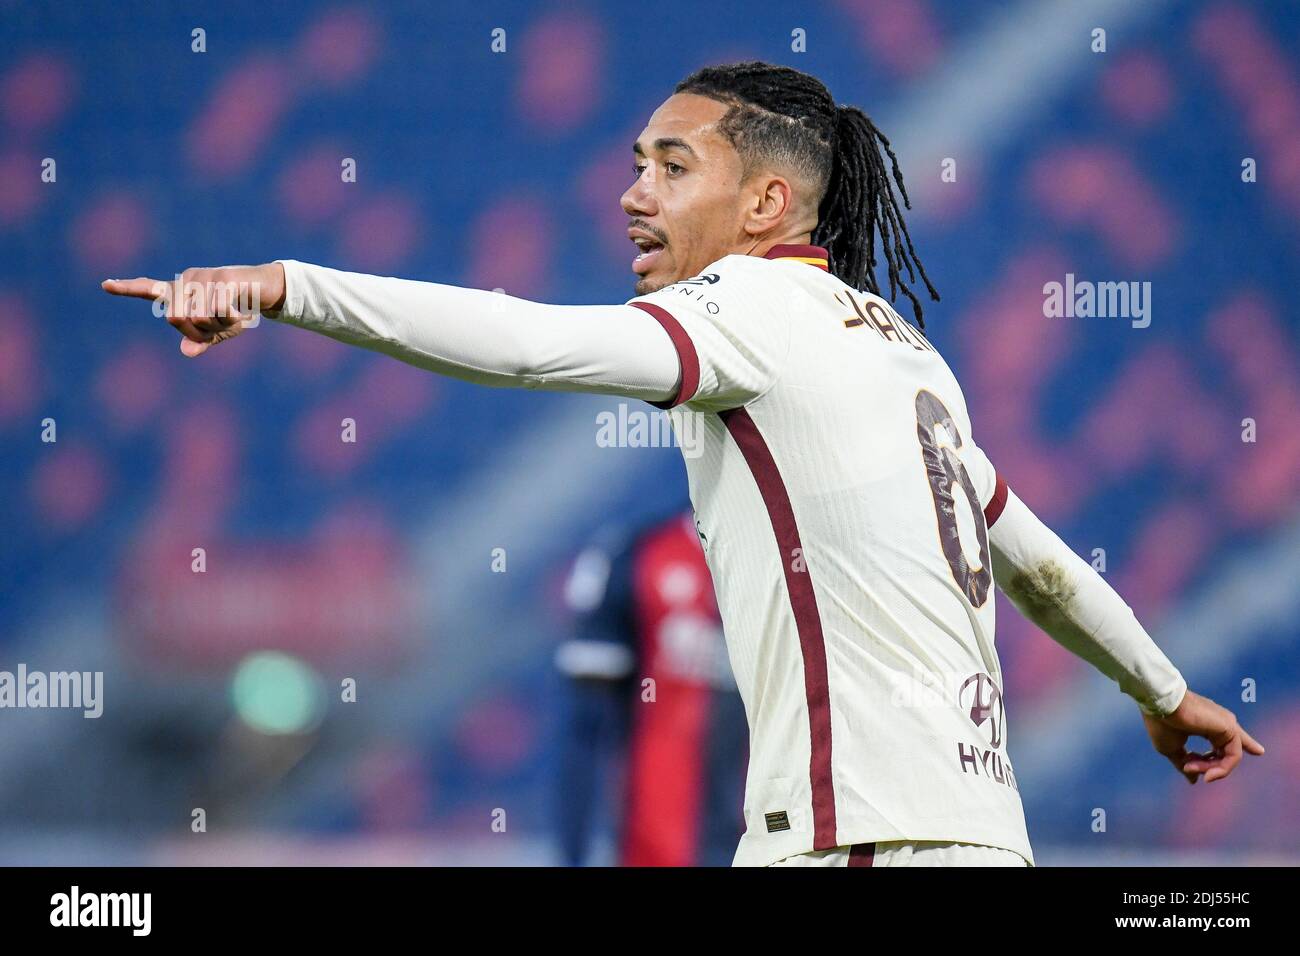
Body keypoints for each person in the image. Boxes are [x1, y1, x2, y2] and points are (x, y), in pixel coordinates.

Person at [102, 61, 1263, 867]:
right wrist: (1159, 691)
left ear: (765, 203)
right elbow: (1036, 556)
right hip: (977, 835)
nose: (632, 193)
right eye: (635, 164)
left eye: (669, 166)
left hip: (851, 837)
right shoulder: (912, 356)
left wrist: (285, 287)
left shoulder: (746, 305)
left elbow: (526, 345)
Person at [555, 512, 747, 867]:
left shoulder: (804, 561)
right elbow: (584, 729)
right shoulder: (635, 556)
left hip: (777, 849)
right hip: (653, 852)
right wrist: (573, 856)